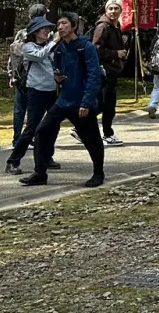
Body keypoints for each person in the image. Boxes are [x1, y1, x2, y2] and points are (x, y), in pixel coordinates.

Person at [19, 12, 106, 188]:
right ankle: (40, 172)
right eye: (58, 24)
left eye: (64, 23)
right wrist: (59, 76)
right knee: (41, 132)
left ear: (74, 26)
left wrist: (86, 102)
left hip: (81, 101)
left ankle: (98, 173)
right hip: (63, 100)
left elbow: (94, 76)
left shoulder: (85, 47)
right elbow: (57, 68)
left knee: (91, 139)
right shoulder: (59, 48)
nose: (59, 27)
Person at [5, 16, 62, 175]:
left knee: (53, 125)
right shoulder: (28, 47)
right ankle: (13, 161)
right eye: (43, 28)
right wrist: (54, 42)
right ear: (34, 32)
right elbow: (40, 56)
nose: (47, 31)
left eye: (48, 29)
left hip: (52, 90)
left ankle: (46, 157)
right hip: (36, 91)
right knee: (31, 128)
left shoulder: (49, 46)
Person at [5, 2, 49, 150]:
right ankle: (30, 138)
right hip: (34, 78)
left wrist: (11, 75)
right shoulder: (42, 34)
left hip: (19, 77)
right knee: (34, 112)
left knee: (19, 110)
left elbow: (12, 56)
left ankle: (17, 139)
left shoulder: (22, 32)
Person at [90, 0, 128, 146]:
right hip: (104, 71)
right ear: (106, 10)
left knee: (104, 104)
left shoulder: (115, 26)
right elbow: (95, 48)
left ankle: (82, 128)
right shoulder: (103, 27)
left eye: (116, 8)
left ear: (120, 10)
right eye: (110, 8)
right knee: (106, 104)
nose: (113, 11)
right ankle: (106, 133)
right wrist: (115, 54)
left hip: (112, 70)